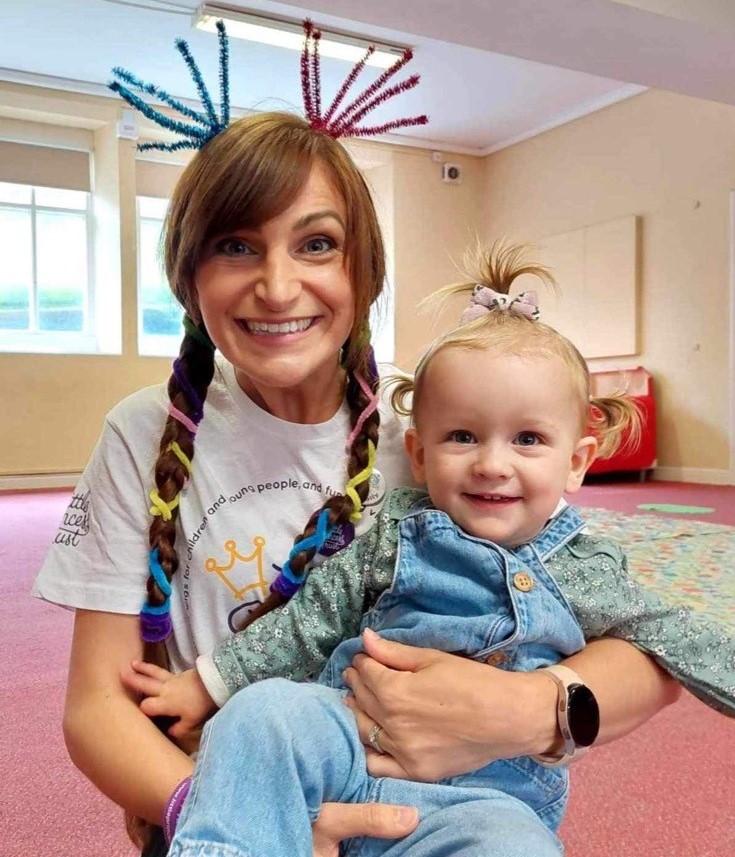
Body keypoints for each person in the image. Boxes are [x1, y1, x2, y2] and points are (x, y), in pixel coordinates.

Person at [32, 21, 680, 857]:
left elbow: (646, 649)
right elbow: (95, 708)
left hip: (443, 799)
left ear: (363, 268)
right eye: (235, 245)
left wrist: (528, 709)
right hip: (232, 804)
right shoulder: (144, 431)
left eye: (316, 243)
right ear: (189, 274)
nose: (275, 285)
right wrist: (208, 799)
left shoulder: (445, 429)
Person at [151, 244, 734, 857]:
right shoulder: (398, 534)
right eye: (462, 436)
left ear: (578, 462)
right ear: (420, 453)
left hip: (489, 799)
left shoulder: (583, 567)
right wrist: (210, 683)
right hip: (345, 745)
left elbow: (673, 634)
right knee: (262, 715)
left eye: (528, 439)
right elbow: (311, 616)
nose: (491, 463)